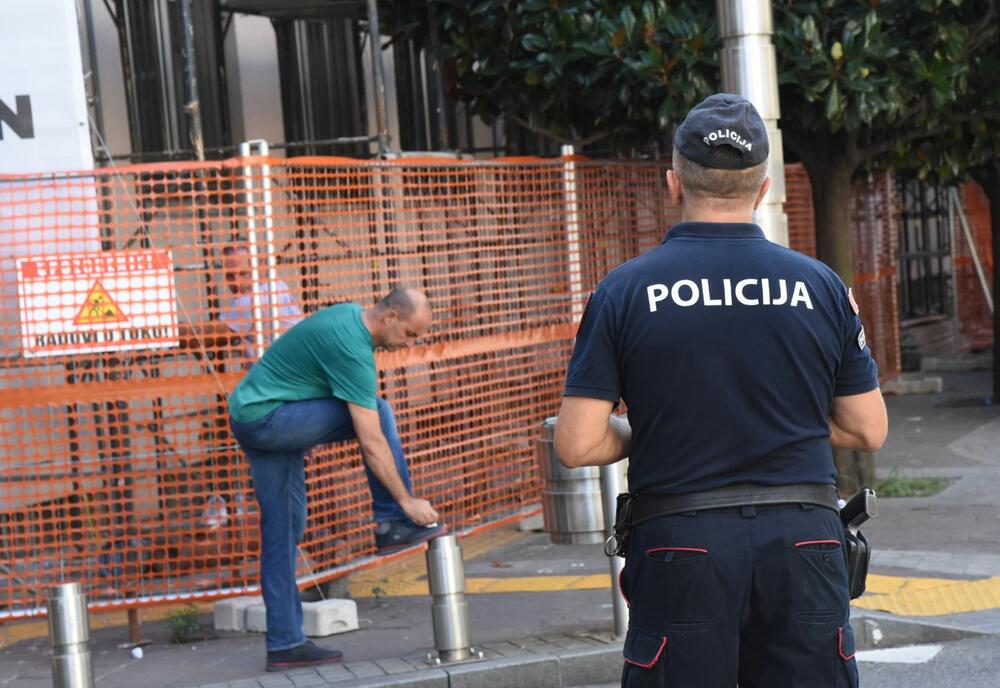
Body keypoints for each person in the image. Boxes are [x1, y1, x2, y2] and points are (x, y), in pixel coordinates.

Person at [554, 94, 887, 687]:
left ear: (674, 184)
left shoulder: (624, 291)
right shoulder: (821, 286)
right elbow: (868, 428)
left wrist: (658, 425)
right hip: (804, 537)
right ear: (763, 190)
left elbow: (577, 444)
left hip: (681, 543)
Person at [227, 287, 446, 671]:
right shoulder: (353, 348)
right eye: (410, 335)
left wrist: (305, 431)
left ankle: (284, 643)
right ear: (390, 317)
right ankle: (391, 520)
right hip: (266, 420)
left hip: (256, 414)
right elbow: (372, 441)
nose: (407, 345)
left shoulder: (349, 315)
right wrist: (407, 502)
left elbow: (308, 371)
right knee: (377, 411)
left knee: (283, 530)